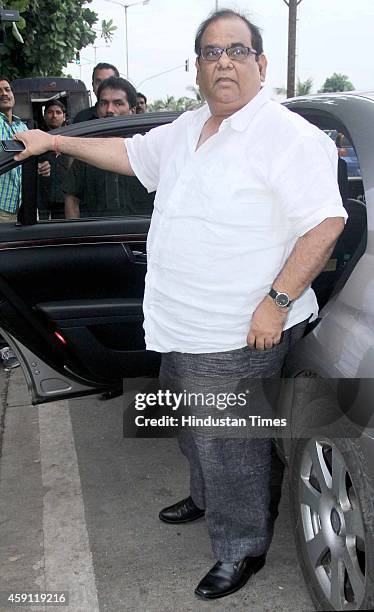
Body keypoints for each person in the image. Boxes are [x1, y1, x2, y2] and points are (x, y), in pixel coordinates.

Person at [13, 9, 347, 600]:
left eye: (237, 51)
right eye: (211, 52)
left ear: (260, 64)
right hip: (177, 321)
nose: (224, 61)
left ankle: (241, 546)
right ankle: (208, 493)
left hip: (236, 331)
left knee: (231, 445)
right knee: (194, 427)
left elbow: (325, 223)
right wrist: (56, 141)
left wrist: (275, 302)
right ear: (197, 67)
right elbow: (132, 155)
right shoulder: (191, 127)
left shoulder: (287, 136)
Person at [0, 76, 50, 370]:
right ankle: (5, 345)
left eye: (7, 89)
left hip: (25, 208)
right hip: (1, 209)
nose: (4, 93)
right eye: (0, 91)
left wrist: (41, 166)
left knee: (23, 275)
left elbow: (33, 160)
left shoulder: (23, 127)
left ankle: (25, 341)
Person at [64, 77, 153, 219]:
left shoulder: (147, 148)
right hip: (98, 236)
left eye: (118, 103)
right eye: (104, 103)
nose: (110, 110)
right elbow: (71, 198)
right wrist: (76, 236)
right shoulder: (87, 150)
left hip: (142, 235)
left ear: (132, 110)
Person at [38, 100, 69, 220]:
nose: (54, 116)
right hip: (43, 196)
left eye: (58, 112)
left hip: (65, 196)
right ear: (45, 116)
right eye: (50, 112)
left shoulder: (72, 139)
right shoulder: (38, 138)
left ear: (64, 116)